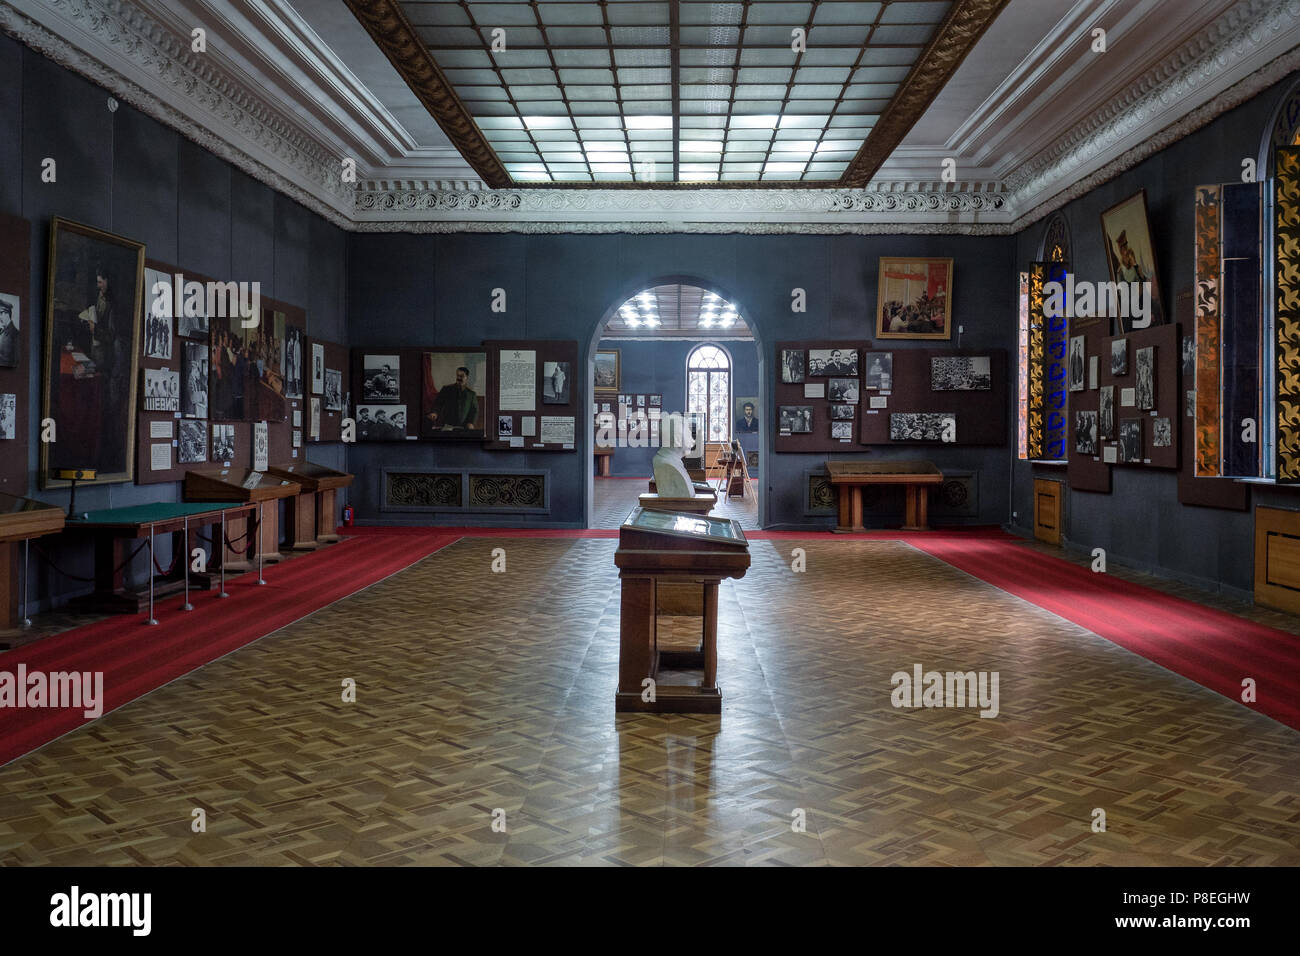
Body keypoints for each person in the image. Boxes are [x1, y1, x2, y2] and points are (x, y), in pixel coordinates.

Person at [431, 365, 478, 429]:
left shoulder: (471, 394)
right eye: (457, 375)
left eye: (461, 376)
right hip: (447, 425)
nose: (458, 378)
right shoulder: (446, 389)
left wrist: (471, 422)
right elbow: (438, 403)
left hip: (464, 427)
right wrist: (435, 412)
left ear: (467, 377)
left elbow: (474, 411)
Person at [0, 299, 16, 367]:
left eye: (0, 313)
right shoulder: (3, 331)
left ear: (7, 313)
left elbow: (8, 361)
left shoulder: (14, 334)